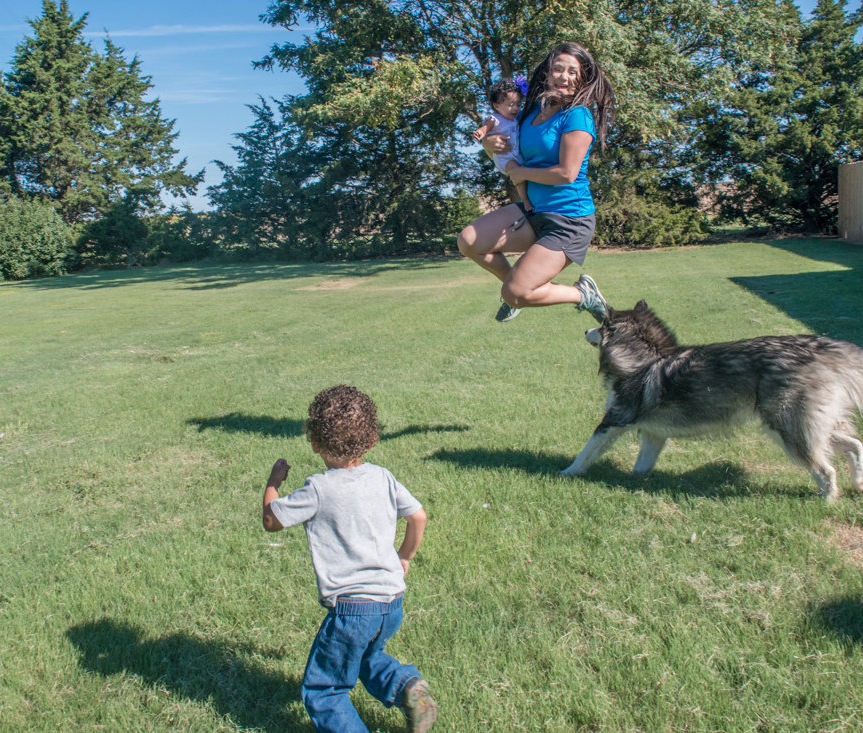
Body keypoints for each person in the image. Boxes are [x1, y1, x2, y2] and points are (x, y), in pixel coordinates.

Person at [261, 385, 437, 733]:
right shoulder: (383, 477)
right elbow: (418, 517)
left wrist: (273, 482)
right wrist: (404, 556)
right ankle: (407, 687)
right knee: (365, 657)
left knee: (324, 690)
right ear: (372, 439)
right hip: (391, 600)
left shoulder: (319, 489)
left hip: (353, 608)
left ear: (314, 442)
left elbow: (271, 520)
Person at [457, 42, 616, 323]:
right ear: (547, 73)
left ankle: (583, 295)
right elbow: (506, 142)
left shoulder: (577, 115)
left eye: (572, 72)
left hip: (569, 219)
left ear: (581, 78)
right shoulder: (530, 113)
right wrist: (489, 144)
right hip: (534, 211)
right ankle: (518, 291)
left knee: (514, 292)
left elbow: (566, 173)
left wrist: (523, 174)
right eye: (558, 69)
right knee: (469, 242)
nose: (564, 77)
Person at [472, 77, 534, 214]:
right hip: (505, 158)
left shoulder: (517, 118)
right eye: (510, 105)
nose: (515, 108)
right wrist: (481, 134)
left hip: (516, 155)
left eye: (518, 104)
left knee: (521, 172)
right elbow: (486, 127)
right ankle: (525, 201)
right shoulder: (496, 119)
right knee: (518, 174)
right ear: (497, 105)